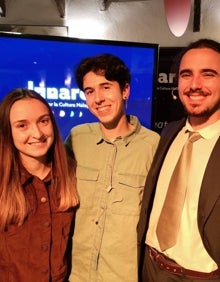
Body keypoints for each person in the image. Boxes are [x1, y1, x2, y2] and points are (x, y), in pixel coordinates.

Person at [65, 53, 160, 282]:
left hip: (124, 276)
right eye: (90, 91)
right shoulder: (77, 139)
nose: (98, 98)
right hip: (76, 275)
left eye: (106, 87)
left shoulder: (153, 145)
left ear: (125, 90)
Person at [138, 38, 220, 282]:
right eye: (186, 74)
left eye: (208, 74)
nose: (194, 85)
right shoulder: (169, 132)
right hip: (150, 268)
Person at [0, 88, 79, 282]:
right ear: (7, 132)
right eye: (22, 125)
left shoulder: (71, 175)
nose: (37, 133)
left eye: (43, 121)